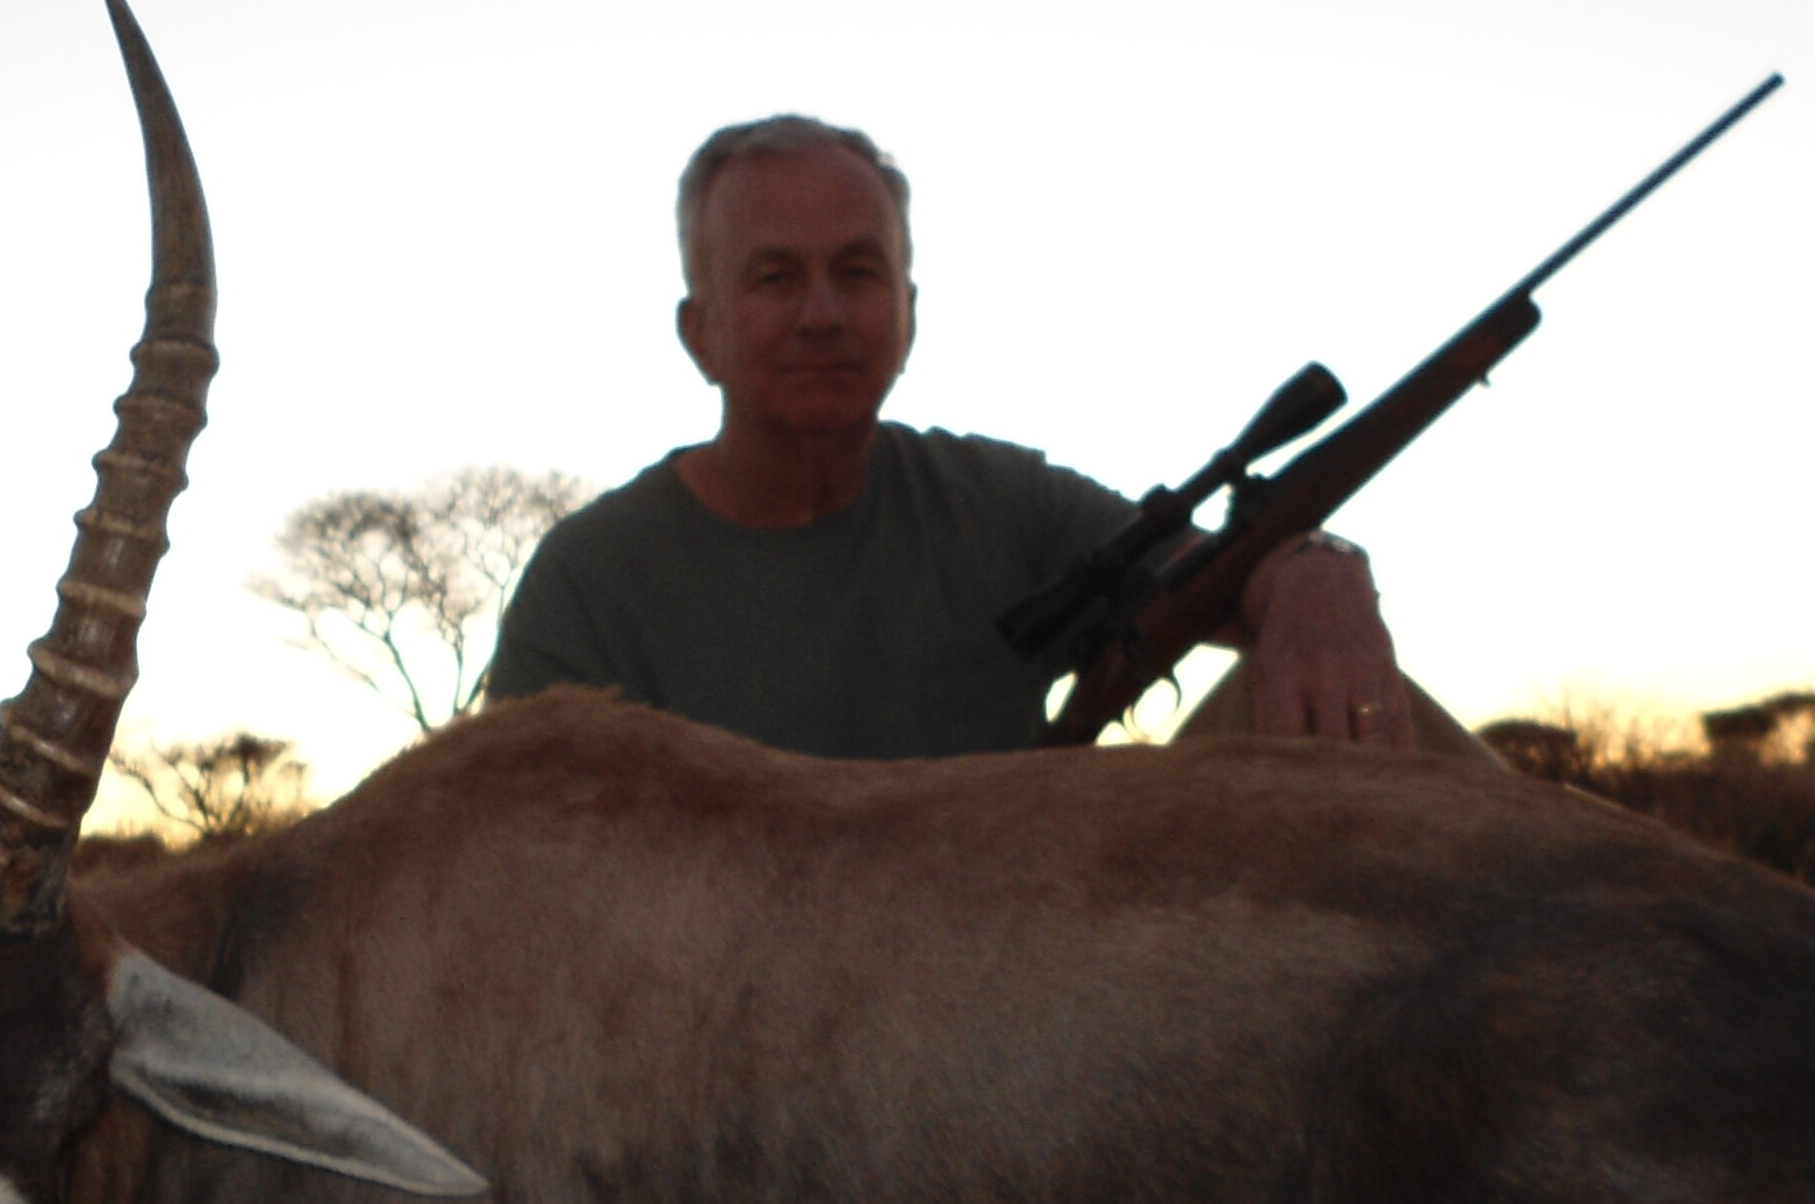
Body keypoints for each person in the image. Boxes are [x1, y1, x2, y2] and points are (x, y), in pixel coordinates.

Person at [483, 113, 1479, 761]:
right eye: (775, 276)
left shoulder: (1000, 501)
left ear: (908, 315)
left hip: (1026, 980)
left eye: (859, 273)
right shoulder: (589, 584)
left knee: (1344, 693)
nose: (824, 313)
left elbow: (1216, 570)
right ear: (699, 332)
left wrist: (1317, 567)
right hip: (724, 1037)